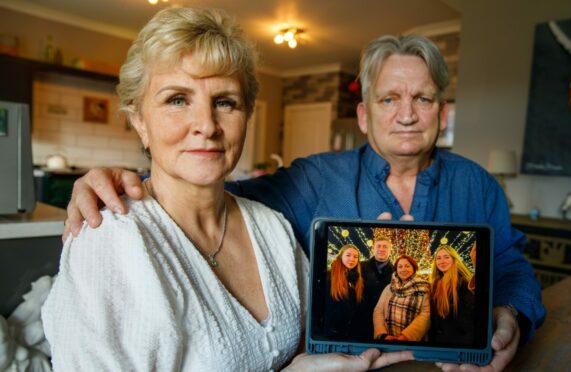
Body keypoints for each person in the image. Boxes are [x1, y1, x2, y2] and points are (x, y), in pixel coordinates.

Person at [63, 33, 546, 370]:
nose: (406, 115)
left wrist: (511, 314)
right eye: (388, 99)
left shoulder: (478, 184)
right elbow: (213, 192)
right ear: (362, 114)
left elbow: (510, 263)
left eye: (422, 99)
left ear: (442, 112)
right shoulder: (313, 179)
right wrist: (130, 184)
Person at [41, 8, 412, 371]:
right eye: (177, 99)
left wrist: (371, 283)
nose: (207, 124)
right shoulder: (110, 242)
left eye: (224, 102)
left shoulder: (272, 228)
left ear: (246, 115)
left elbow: (302, 346)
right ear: (139, 121)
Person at [373, 255, 430, 342]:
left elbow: (425, 315)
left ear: (414, 268)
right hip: (388, 340)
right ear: (396, 270)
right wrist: (382, 334)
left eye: (407, 266)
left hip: (411, 342)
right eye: (400, 266)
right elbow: (379, 310)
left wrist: (405, 336)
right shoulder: (389, 288)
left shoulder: (423, 288)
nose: (403, 269)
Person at [428, 245, 475, 345]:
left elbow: (469, 317)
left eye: (446, 257)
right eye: (438, 258)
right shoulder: (435, 284)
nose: (442, 261)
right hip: (439, 340)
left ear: (454, 259)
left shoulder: (464, 282)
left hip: (459, 340)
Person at [325, 244, 365, 339]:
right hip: (332, 331)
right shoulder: (329, 276)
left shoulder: (356, 278)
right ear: (341, 256)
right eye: (348, 255)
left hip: (348, 331)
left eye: (355, 257)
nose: (352, 259)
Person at [358, 234, 394, 340]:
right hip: (361, 318)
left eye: (385, 246)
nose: (381, 249)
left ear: (390, 250)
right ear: (373, 249)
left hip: (383, 321)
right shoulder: (360, 266)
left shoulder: (396, 271)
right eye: (378, 246)